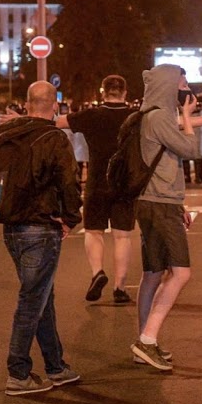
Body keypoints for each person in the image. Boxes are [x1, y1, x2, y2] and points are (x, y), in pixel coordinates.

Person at [0, 81, 83, 396]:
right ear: (55, 106)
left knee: (42, 297)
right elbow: (69, 182)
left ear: (28, 104)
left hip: (12, 229)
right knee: (33, 300)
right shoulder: (54, 138)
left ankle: (56, 366)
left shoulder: (4, 135)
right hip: (41, 228)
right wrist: (70, 219)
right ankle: (18, 372)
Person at [131, 64, 202, 371]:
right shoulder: (160, 116)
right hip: (160, 204)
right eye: (182, 85)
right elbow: (188, 149)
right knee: (181, 273)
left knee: (152, 274)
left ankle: (145, 343)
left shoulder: (151, 116)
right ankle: (146, 340)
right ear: (168, 87)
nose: (186, 91)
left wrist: (197, 118)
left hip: (154, 200)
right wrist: (189, 117)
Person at [55, 75, 137, 304]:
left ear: (103, 92)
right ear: (125, 93)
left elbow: (57, 122)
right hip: (125, 184)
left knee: (93, 231)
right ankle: (120, 288)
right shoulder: (135, 117)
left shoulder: (91, 116)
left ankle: (97, 272)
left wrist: (22, 118)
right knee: (122, 235)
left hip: (97, 181)